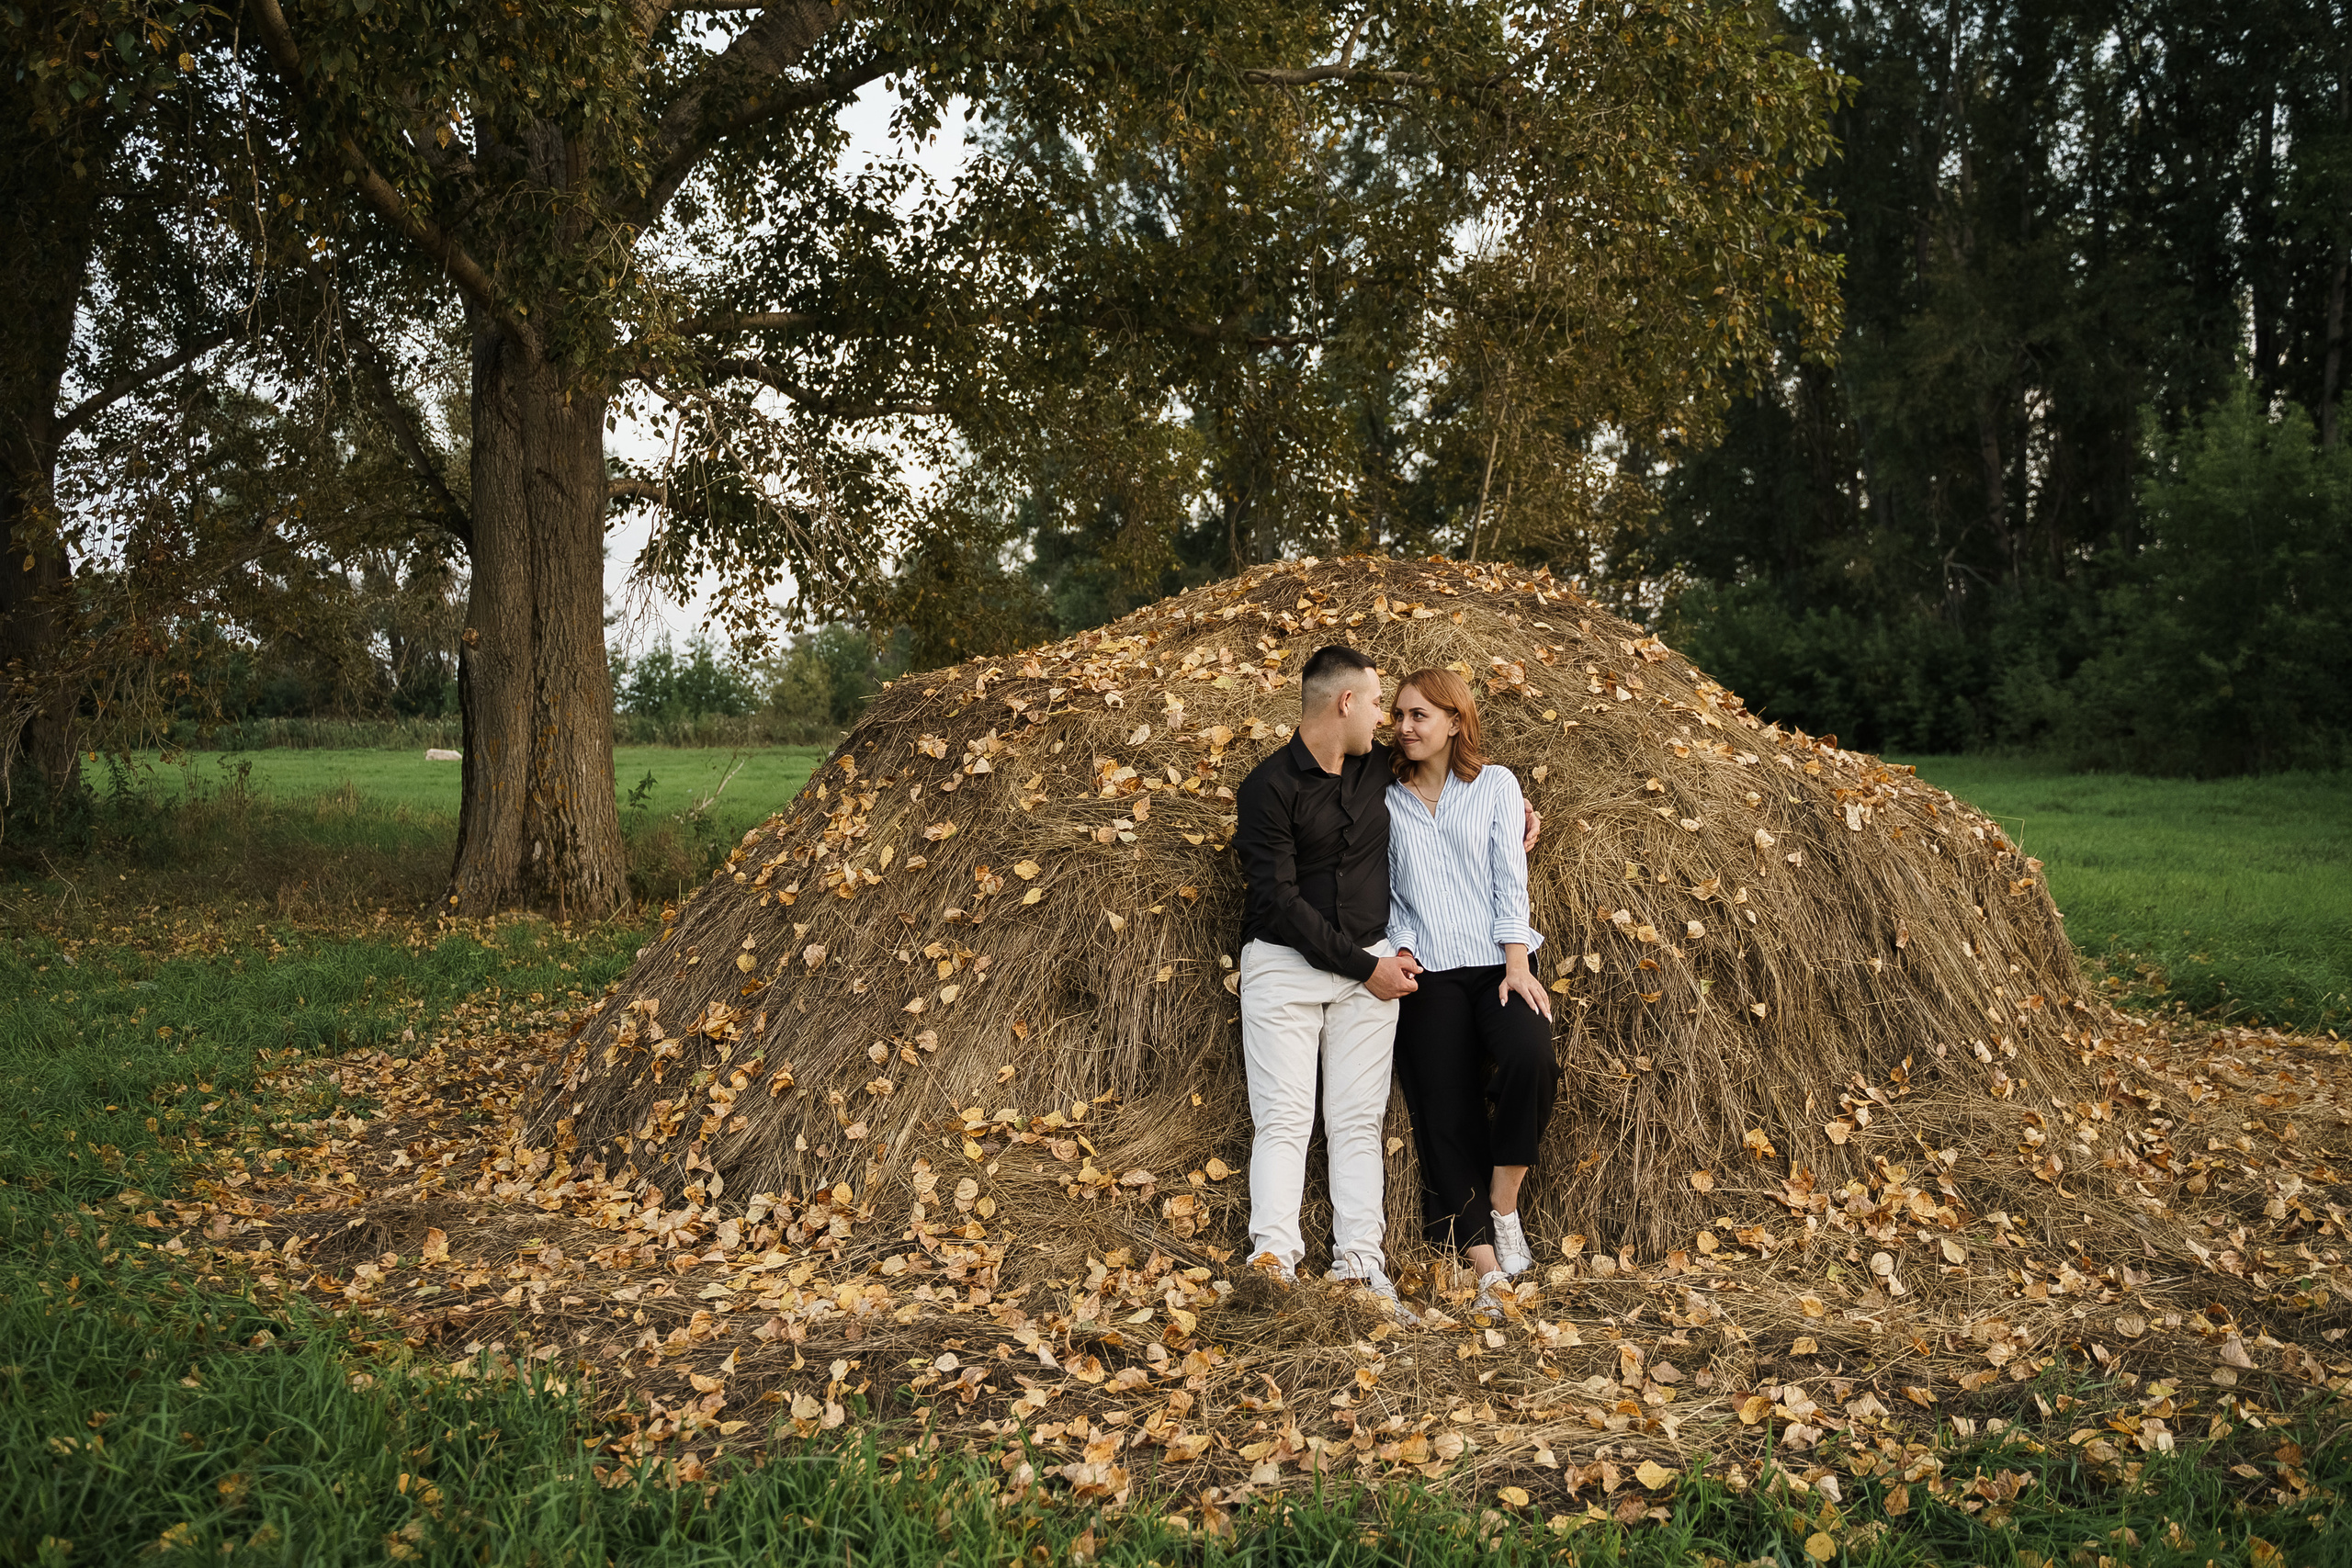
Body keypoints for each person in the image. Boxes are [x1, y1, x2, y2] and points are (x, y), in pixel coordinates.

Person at [1233, 646, 1539, 1314]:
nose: (1391, 722)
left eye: (1401, 712)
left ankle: (1362, 1269)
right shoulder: (1266, 787)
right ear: (1346, 703)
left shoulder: (1378, 769)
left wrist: (1519, 814)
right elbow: (1280, 902)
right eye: (1379, 705)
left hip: (1369, 973)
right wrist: (1367, 964)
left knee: (1357, 1121)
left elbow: (1462, 783)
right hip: (1289, 968)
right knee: (1284, 1118)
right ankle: (1273, 1263)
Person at [1383, 667, 1557, 1311]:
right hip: (1425, 968)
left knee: (1530, 1054)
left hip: (1494, 962)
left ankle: (1504, 1203)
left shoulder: (1497, 786)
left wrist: (1518, 964)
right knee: (1443, 1104)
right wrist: (1399, 946)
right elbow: (1384, 891)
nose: (1404, 727)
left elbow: (1511, 880)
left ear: (1456, 721)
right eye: (1398, 715)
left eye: (1418, 715)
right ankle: (1486, 1263)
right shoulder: (1383, 794)